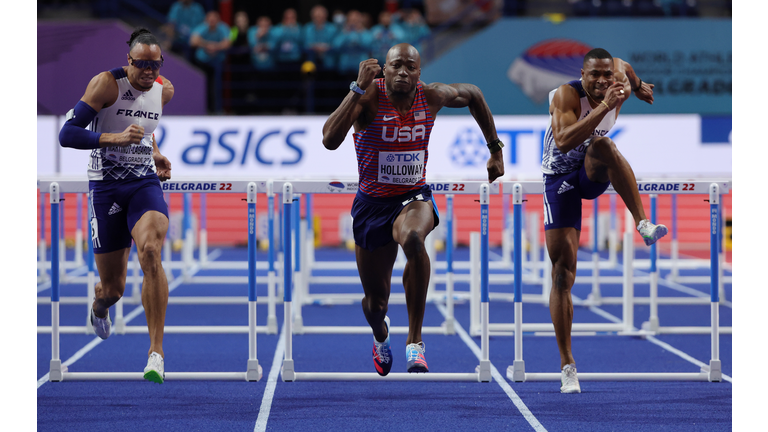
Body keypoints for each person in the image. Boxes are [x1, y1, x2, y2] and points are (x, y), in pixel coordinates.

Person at [321, 43, 505, 375]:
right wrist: (356, 87)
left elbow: (475, 94)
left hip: (412, 197)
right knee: (375, 304)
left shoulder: (431, 96)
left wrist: (495, 149)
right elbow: (329, 140)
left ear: (419, 73)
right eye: (396, 66)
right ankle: (381, 334)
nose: (403, 72)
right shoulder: (366, 97)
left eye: (410, 67)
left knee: (415, 240)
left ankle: (415, 342)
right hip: (371, 206)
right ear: (384, 69)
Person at [541, 48, 667, 393]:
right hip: (560, 180)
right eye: (593, 75)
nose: (601, 81)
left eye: (606, 76)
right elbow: (565, 141)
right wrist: (603, 106)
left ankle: (643, 224)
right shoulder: (566, 95)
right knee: (562, 272)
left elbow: (627, 66)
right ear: (582, 75)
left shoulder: (621, 75)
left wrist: (639, 86)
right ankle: (568, 365)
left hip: (591, 172)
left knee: (605, 147)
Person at [58, 28, 174, 384]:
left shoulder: (164, 91)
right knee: (114, 290)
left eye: (155, 64)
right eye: (141, 64)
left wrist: (154, 153)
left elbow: (145, 127)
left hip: (143, 184)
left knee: (151, 251)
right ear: (129, 60)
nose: (149, 71)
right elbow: (68, 133)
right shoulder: (105, 84)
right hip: (106, 187)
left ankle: (156, 353)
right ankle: (99, 304)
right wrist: (115, 138)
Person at [190, 10, 231, 112]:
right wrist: (207, 45)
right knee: (202, 87)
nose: (212, 21)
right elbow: (193, 41)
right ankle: (203, 110)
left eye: (214, 19)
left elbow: (227, 43)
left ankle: (216, 110)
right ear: (206, 20)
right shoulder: (202, 27)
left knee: (216, 87)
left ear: (218, 20)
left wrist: (215, 47)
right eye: (210, 19)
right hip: (202, 62)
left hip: (217, 62)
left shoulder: (223, 28)